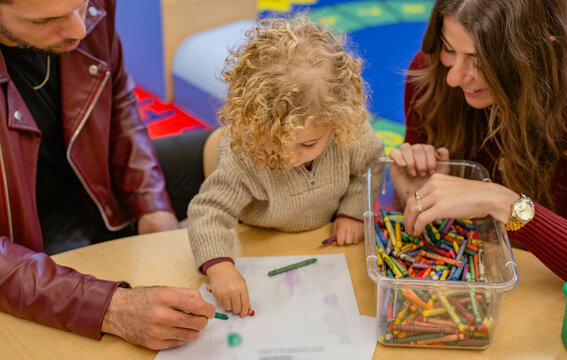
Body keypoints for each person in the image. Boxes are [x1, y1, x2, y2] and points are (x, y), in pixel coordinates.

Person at [0, 0, 216, 351]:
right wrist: (110, 308)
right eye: (47, 20)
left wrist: (152, 206)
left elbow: (116, 98)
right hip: (25, 238)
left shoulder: (90, 11)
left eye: (81, 6)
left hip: (95, 183)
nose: (79, 30)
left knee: (234, 150)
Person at [187, 17, 385, 317]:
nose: (289, 157)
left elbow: (370, 166)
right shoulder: (245, 156)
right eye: (274, 142)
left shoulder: (348, 134)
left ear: (336, 123)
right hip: (260, 248)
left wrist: (353, 212)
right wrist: (220, 267)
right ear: (255, 123)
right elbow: (208, 212)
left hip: (322, 250)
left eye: (308, 144)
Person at [388, 0, 567, 281]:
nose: (454, 77)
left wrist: (504, 203)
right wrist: (417, 196)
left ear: (541, 49)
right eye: (449, 49)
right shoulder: (430, 76)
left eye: (481, 61)